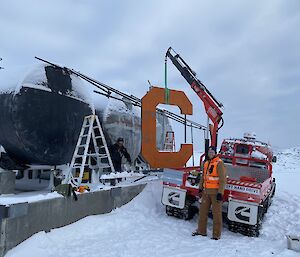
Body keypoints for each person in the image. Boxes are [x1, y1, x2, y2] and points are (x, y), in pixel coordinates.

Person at [192, 146, 226, 240]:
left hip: (215, 193)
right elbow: (203, 177)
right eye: (209, 151)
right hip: (206, 192)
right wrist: (200, 188)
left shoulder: (219, 163)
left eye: (212, 151)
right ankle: (201, 231)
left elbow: (223, 180)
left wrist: (220, 193)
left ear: (215, 153)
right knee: (202, 212)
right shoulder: (206, 163)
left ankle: (216, 235)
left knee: (217, 214)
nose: (210, 153)